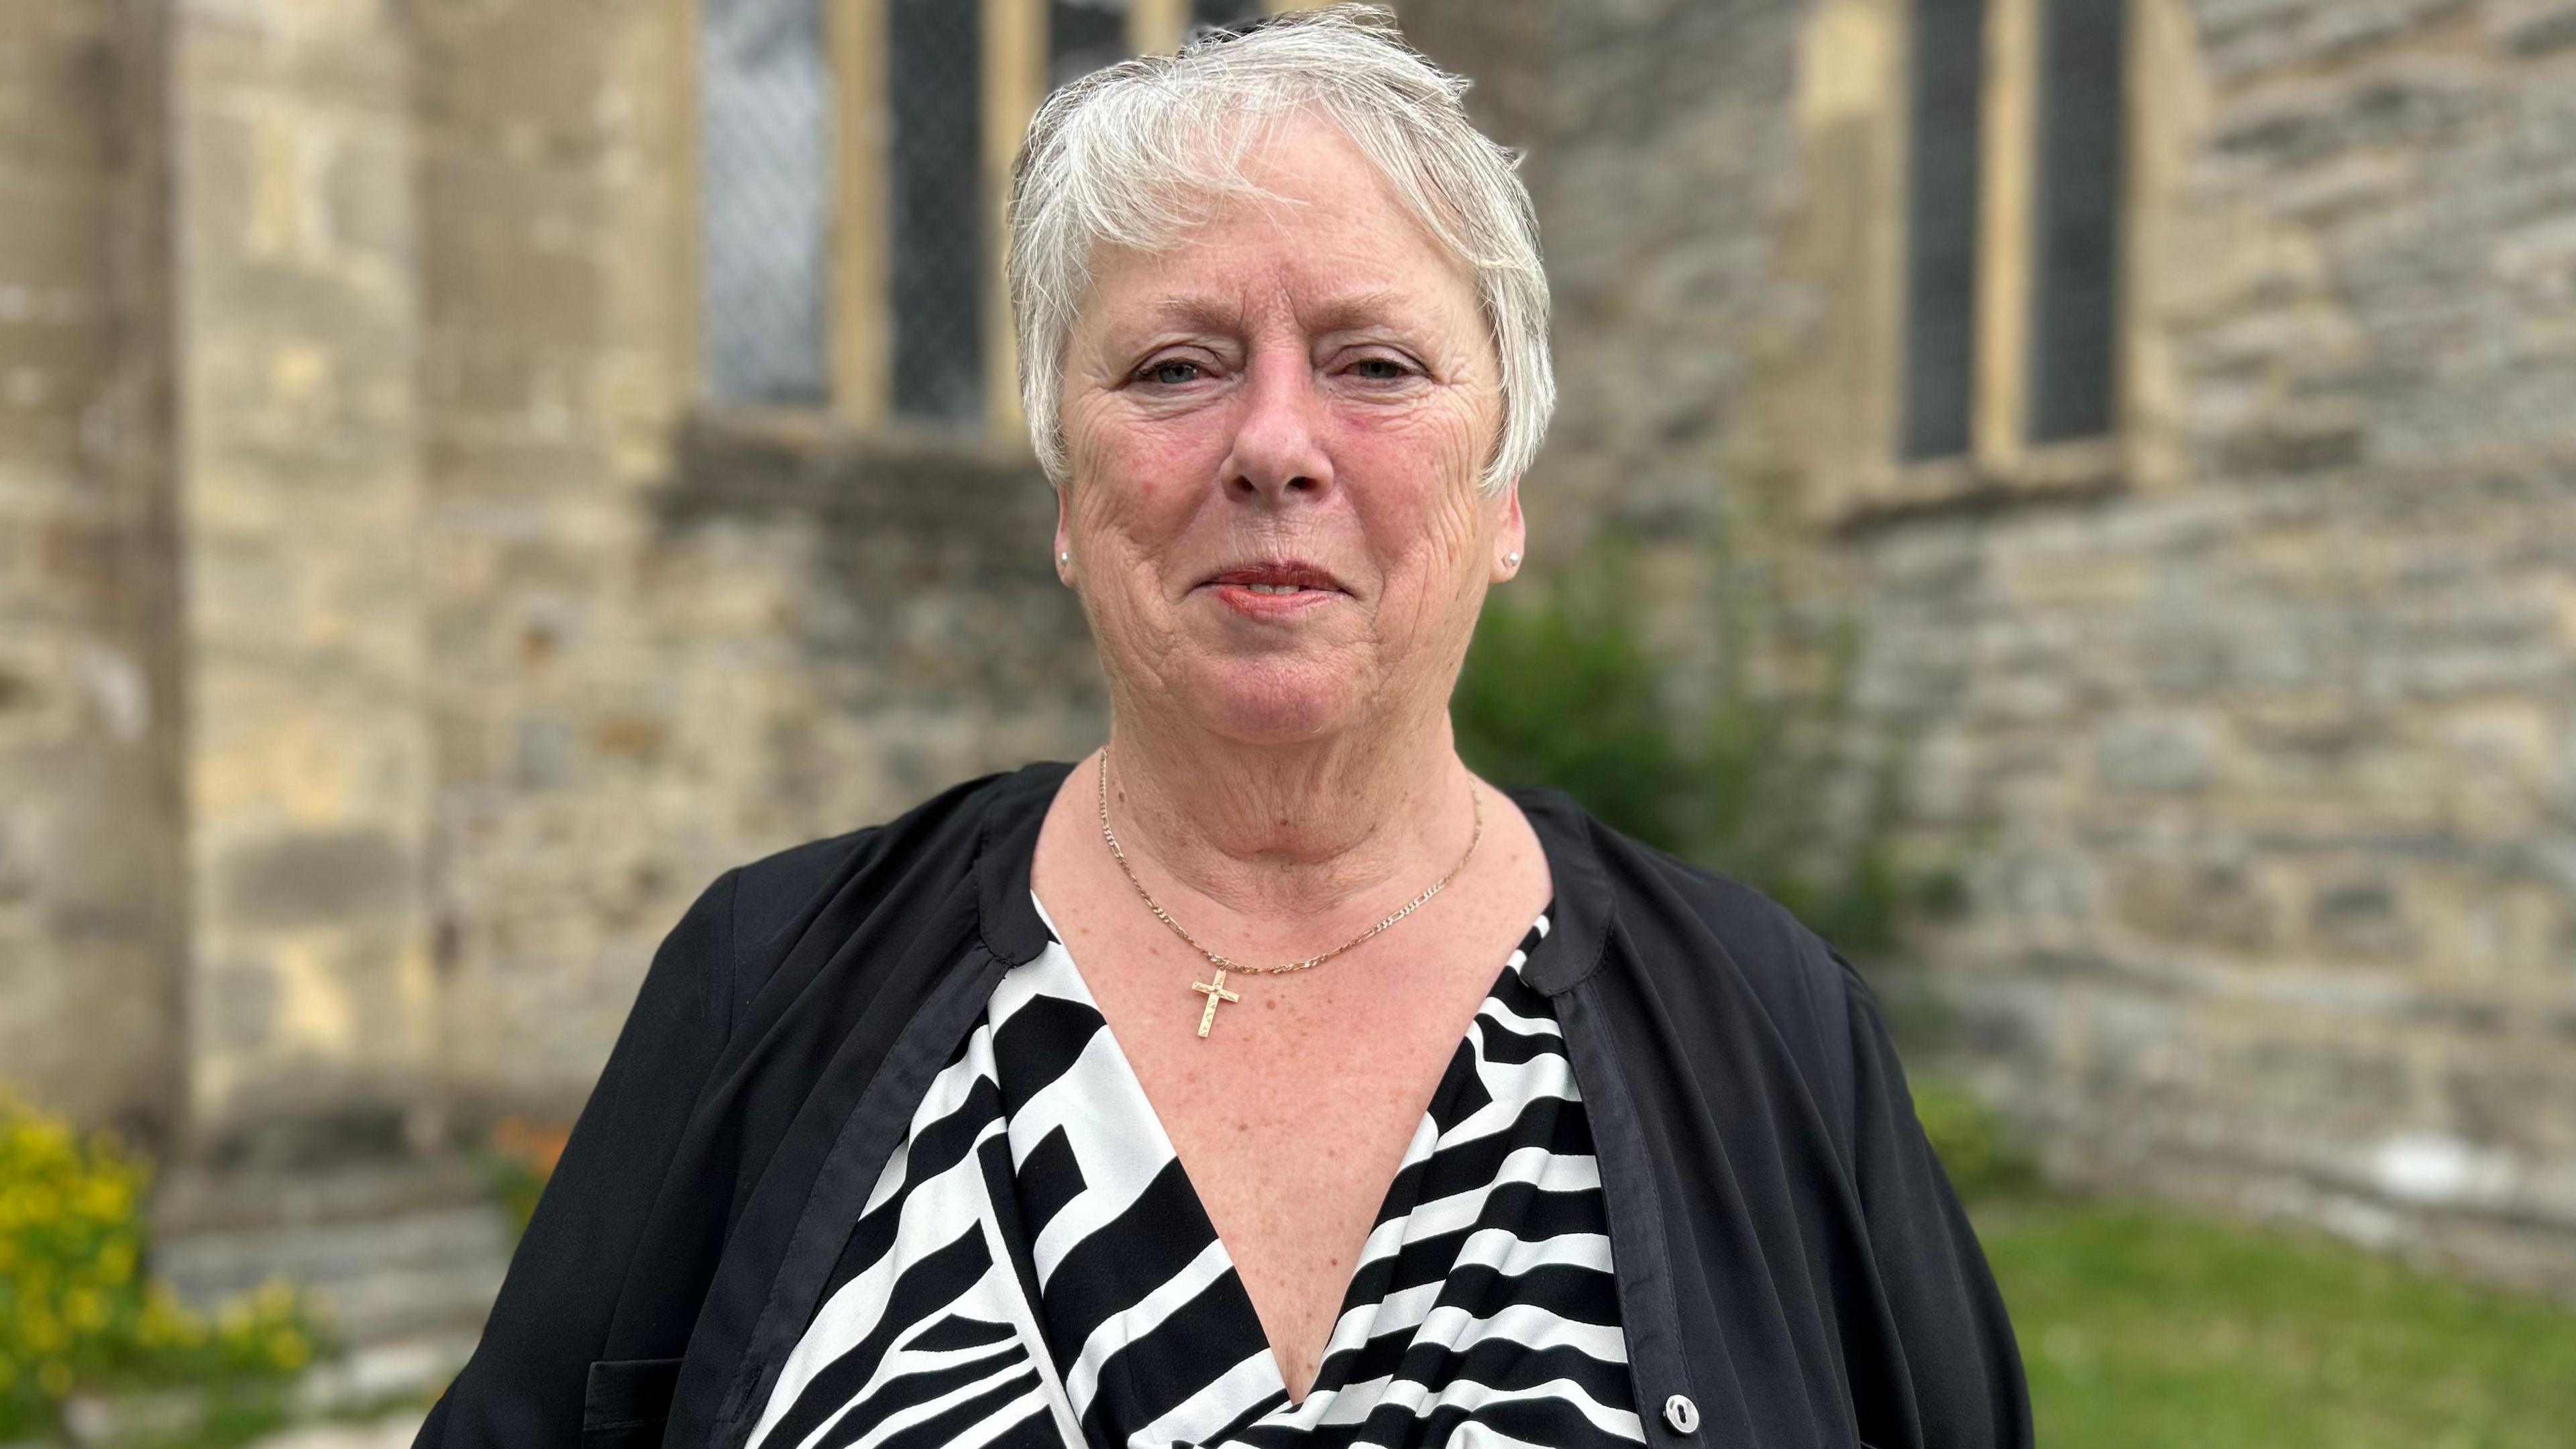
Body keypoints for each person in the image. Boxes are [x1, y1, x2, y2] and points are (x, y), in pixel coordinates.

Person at [415, 8, 2029, 1447]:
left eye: (1375, 363)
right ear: (1068, 495)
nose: (1274, 444)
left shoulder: (1775, 1027)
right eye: (1178, 367)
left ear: (1507, 497)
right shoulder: (765, 982)